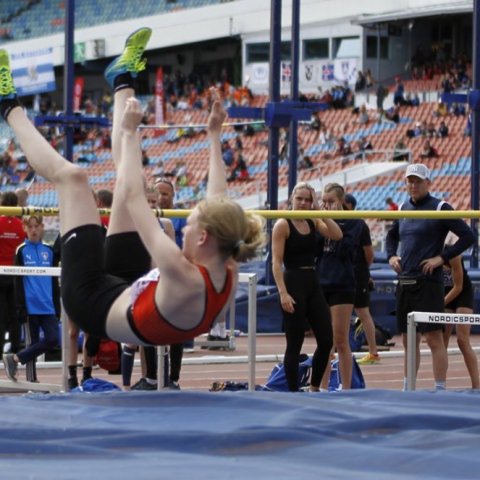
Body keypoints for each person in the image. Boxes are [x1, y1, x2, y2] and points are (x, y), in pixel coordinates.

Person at [0, 31, 265, 356]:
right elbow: (219, 198)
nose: (187, 226)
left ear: (202, 238)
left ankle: (8, 105)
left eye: (191, 222)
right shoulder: (226, 263)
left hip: (91, 300)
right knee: (130, 176)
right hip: (132, 292)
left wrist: (128, 131)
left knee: (74, 177)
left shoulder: (182, 272)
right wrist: (213, 135)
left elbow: (132, 196)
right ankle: (122, 76)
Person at [386, 163, 474, 390]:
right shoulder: (403, 208)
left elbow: (468, 236)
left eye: (417, 181)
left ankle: (440, 389)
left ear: (428, 183)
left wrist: (441, 258)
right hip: (405, 281)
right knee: (408, 341)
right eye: (409, 181)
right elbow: (391, 236)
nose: (413, 185)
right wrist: (391, 257)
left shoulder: (440, 207)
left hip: (428, 283)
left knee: (434, 338)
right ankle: (408, 388)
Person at [272, 182, 342, 391]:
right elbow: (276, 262)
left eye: (307, 200)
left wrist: (320, 211)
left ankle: (313, 388)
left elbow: (336, 234)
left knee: (326, 339)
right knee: (295, 342)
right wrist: (283, 293)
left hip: (312, 281)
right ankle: (293, 391)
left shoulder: (313, 220)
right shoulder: (282, 224)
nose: (303, 203)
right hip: (293, 282)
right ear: (292, 199)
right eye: (300, 198)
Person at [316, 183, 368, 390]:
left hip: (342, 284)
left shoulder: (354, 221)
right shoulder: (319, 221)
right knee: (324, 341)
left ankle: (346, 388)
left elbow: (345, 246)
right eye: (324, 202)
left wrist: (327, 219)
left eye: (331, 202)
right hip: (321, 282)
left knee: (340, 339)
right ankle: (321, 386)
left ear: (341, 201)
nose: (327, 206)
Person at [3, 215, 59, 381]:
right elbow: (17, 280)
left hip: (48, 305)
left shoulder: (49, 251)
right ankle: (32, 381)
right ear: (25, 229)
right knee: (32, 342)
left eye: (37, 226)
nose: (34, 230)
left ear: (42, 227)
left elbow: (54, 280)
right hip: (31, 305)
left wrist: (57, 305)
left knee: (53, 339)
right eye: (30, 227)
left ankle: (14, 359)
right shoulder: (21, 250)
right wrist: (21, 306)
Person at [343, 194, 379, 365]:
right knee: (339, 313)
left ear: (349, 205)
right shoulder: (335, 221)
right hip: (342, 273)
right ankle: (339, 351)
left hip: (357, 274)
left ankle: (373, 352)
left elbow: (369, 253)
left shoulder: (359, 224)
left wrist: (364, 271)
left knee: (363, 312)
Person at [443, 237, 479, 389]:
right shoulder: (426, 252)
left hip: (462, 292)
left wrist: (439, 304)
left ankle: (477, 386)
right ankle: (440, 385)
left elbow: (458, 287)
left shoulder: (453, 253)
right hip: (443, 292)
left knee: (462, 340)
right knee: (440, 342)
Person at [0, 191, 25, 355]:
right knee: (14, 312)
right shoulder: (20, 225)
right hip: (15, 272)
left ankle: (0, 345)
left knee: (1, 312)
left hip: (1, 271)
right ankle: (16, 345)